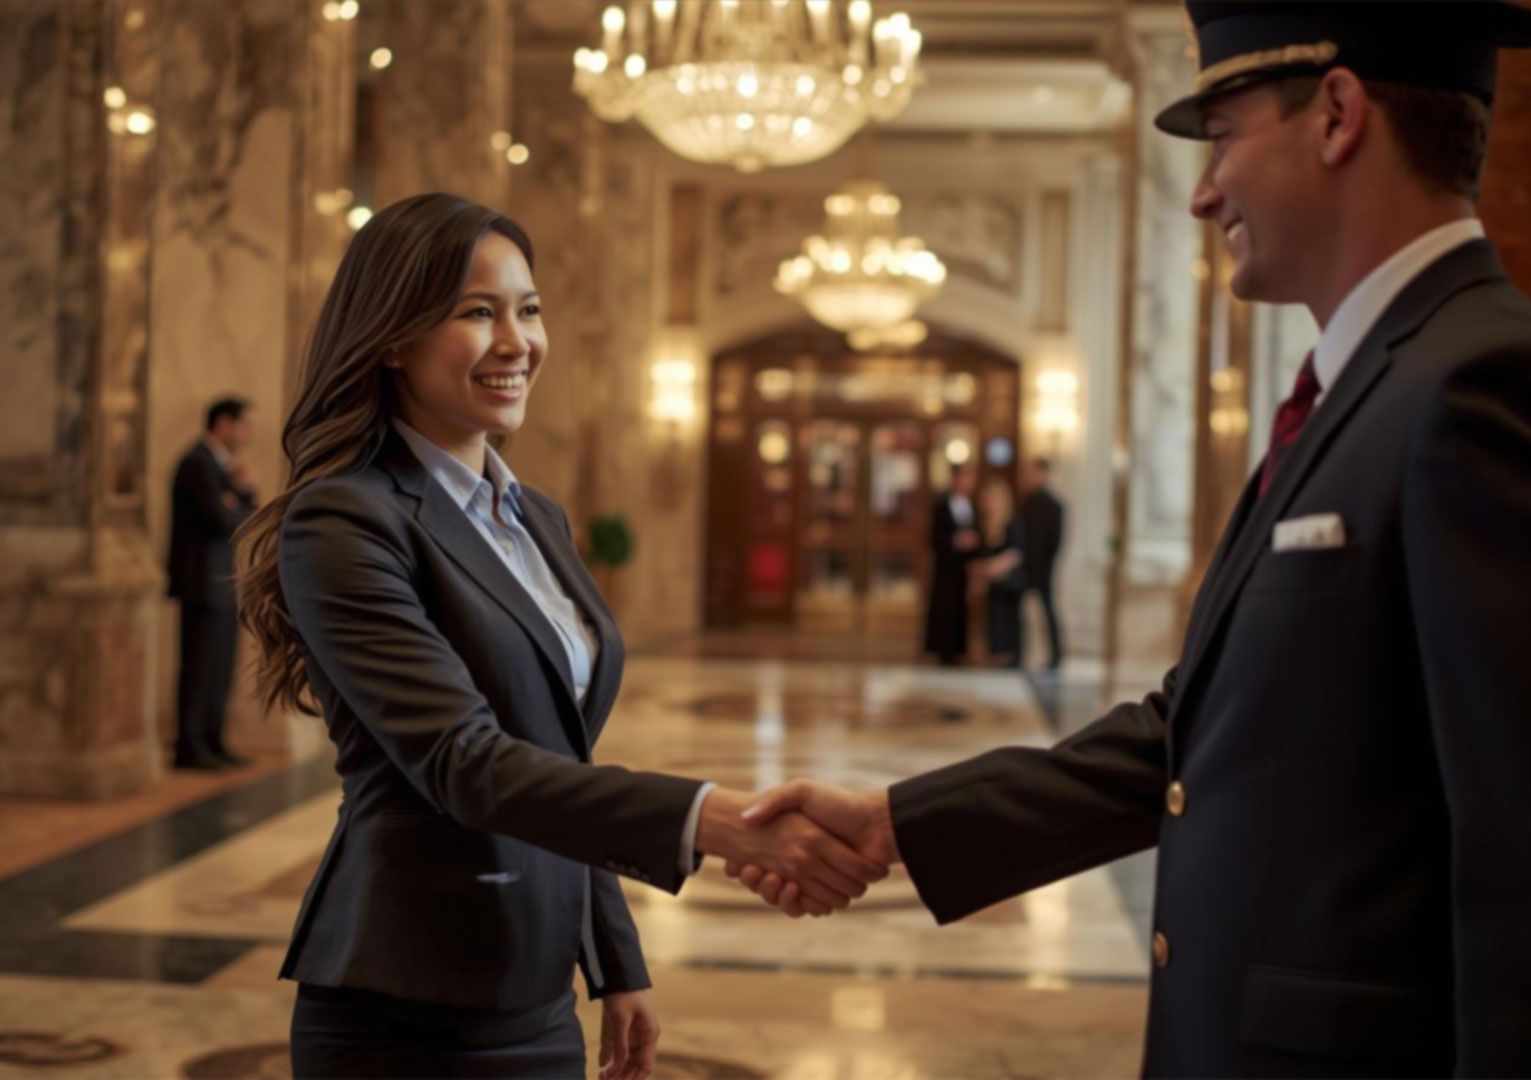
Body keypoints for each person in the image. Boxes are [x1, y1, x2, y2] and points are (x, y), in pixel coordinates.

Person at [725, 3, 1531, 1074]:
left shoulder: (1481, 386)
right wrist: (895, 821)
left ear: (1336, 114)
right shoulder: (1365, 385)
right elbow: (1197, 732)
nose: (1201, 194)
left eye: (1223, 136)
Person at [234, 194, 885, 1079]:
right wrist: (720, 822)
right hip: (409, 995)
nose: (516, 342)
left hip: (537, 983)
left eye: (528, 309)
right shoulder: (345, 520)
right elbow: (466, 763)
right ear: (391, 336)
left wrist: (615, 960)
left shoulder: (534, 515)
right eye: (475, 312)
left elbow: (561, 754)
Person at [167, 396, 258, 770]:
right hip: (201, 584)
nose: (248, 434)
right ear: (223, 423)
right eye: (244, 425)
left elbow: (234, 517)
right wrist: (245, 495)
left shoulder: (221, 470)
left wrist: (236, 497)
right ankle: (190, 747)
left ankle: (214, 741)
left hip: (220, 584)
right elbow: (224, 522)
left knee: (220, 668)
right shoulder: (197, 464)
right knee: (199, 670)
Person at [922, 463, 979, 665]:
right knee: (944, 608)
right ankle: (942, 650)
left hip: (964, 568)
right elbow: (933, 537)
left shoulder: (973, 506)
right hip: (945, 568)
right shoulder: (941, 505)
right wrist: (955, 541)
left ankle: (958, 650)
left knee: (961, 609)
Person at [972, 477, 1024, 668]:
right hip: (991, 582)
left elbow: (1016, 553)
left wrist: (990, 567)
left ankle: (1011, 656)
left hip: (1009, 581)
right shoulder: (985, 524)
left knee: (1009, 619)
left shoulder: (1012, 523)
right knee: (992, 620)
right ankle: (994, 654)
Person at [1017, 458, 1064, 669]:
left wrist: (1043, 564)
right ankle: (1019, 652)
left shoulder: (1054, 505)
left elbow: (1054, 541)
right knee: (1020, 612)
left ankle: (1056, 654)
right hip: (1026, 566)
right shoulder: (1028, 502)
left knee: (1048, 611)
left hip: (1043, 568)